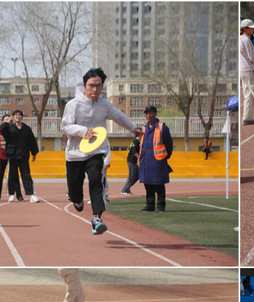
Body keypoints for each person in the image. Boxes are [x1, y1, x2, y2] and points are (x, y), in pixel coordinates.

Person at [62, 68, 141, 234]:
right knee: (75, 192)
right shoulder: (73, 105)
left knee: (96, 180)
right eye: (91, 85)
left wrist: (133, 128)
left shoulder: (105, 105)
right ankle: (76, 198)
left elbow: (119, 116)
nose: (95, 89)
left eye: (98, 86)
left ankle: (97, 217)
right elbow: (66, 127)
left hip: (96, 151)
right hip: (75, 154)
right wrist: (83, 131)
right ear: (84, 85)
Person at [138, 105, 173, 213]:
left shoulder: (162, 127)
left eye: (151, 113)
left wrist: (165, 157)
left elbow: (169, 145)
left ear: (155, 114)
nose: (149, 115)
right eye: (147, 113)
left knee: (159, 184)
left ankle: (161, 206)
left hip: (158, 161)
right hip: (145, 160)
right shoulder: (143, 128)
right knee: (147, 184)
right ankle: (150, 205)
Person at [0, 109, 39, 203]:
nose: (18, 117)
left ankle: (32, 195)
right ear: (13, 117)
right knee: (12, 176)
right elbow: (1, 129)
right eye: (16, 115)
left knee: (26, 176)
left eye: (19, 115)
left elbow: (32, 141)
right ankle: (12, 195)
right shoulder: (9, 127)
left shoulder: (27, 129)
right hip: (12, 155)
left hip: (23, 155)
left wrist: (34, 153)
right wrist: (8, 121)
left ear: (22, 117)